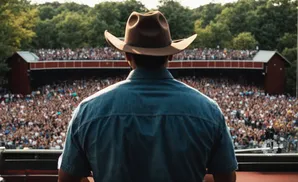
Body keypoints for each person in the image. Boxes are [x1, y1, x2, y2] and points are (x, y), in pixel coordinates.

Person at [58, 11, 238, 182]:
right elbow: (226, 177)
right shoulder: (208, 110)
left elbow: (67, 178)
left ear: (127, 56)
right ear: (171, 56)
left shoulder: (87, 110)